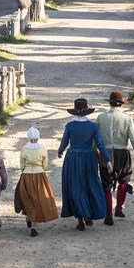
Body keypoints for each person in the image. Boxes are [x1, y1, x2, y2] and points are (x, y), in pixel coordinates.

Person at [58, 97, 112, 231]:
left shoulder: (70, 126)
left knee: (76, 186)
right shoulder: (93, 126)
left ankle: (80, 219)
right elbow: (100, 144)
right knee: (90, 184)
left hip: (73, 158)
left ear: (75, 111)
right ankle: (88, 213)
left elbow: (64, 142)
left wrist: (60, 151)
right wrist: (108, 160)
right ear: (87, 110)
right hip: (88, 157)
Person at [95, 90, 134, 223]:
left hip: (106, 153)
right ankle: (118, 208)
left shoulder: (101, 117)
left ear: (110, 103)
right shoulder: (127, 119)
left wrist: (94, 152)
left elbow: (96, 138)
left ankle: (108, 215)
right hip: (122, 152)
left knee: (106, 183)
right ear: (121, 104)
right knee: (123, 180)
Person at [14, 126, 59, 237]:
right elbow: (45, 164)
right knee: (38, 198)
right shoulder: (42, 148)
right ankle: (33, 224)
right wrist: (41, 169)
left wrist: (24, 171)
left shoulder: (24, 148)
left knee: (28, 198)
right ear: (38, 137)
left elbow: (22, 164)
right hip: (39, 174)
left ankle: (30, 219)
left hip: (26, 175)